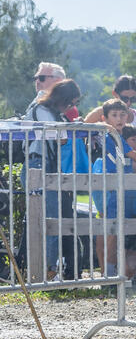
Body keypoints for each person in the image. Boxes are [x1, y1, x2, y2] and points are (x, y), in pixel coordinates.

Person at [22, 79, 81, 279]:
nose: (71, 107)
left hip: (44, 165)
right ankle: (47, 269)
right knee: (49, 219)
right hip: (37, 164)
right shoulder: (41, 109)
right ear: (62, 98)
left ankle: (46, 269)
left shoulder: (53, 112)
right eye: (71, 103)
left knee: (47, 219)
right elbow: (60, 136)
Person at [93, 98, 136, 279]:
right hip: (113, 191)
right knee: (113, 234)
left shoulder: (120, 136)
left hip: (127, 189)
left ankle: (125, 274)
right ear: (105, 118)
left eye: (122, 114)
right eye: (114, 115)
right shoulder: (108, 135)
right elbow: (133, 155)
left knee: (126, 232)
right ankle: (108, 274)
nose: (119, 118)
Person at [84, 75, 136, 140]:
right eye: (125, 98)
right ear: (114, 94)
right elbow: (80, 133)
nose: (128, 102)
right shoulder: (100, 112)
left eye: (133, 99)